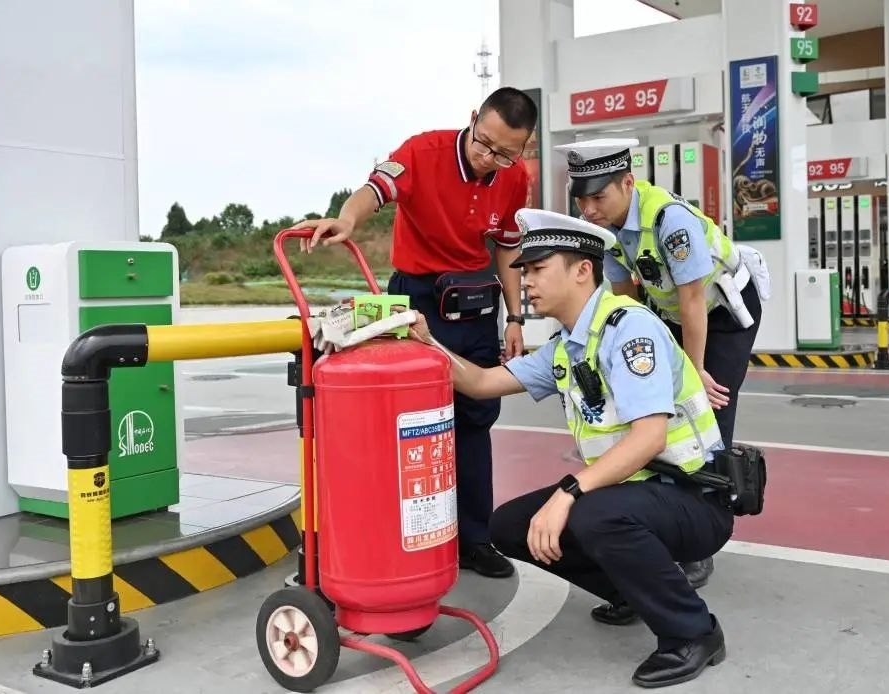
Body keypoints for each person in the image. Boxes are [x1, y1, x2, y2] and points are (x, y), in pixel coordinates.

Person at [403, 208, 732, 689]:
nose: (527, 282)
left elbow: (650, 437)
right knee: (510, 527)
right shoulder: (568, 346)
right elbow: (479, 382)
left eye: (537, 269)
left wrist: (568, 492)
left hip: (692, 496)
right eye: (525, 271)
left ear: (583, 270)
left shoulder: (628, 329)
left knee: (588, 514)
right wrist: (428, 341)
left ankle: (695, 632)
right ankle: (632, 591)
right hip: (633, 492)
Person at [291, 87, 540, 579]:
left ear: (522, 150)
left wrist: (515, 317)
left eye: (504, 153)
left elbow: (508, 248)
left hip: (476, 304)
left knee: (475, 421)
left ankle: (473, 538)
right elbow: (376, 191)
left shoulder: (514, 179)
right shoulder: (422, 152)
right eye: (483, 143)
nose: (489, 159)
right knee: (408, 422)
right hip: (418, 300)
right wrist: (347, 218)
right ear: (472, 120)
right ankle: (404, 537)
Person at [554, 137, 766, 599]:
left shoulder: (671, 221)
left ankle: (698, 542)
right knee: (652, 415)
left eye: (599, 197)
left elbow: (693, 302)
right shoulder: (607, 231)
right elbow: (625, 301)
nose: (589, 209)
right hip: (672, 314)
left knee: (706, 416)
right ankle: (655, 522)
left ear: (627, 183)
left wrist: (695, 371)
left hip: (722, 316)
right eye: (581, 199)